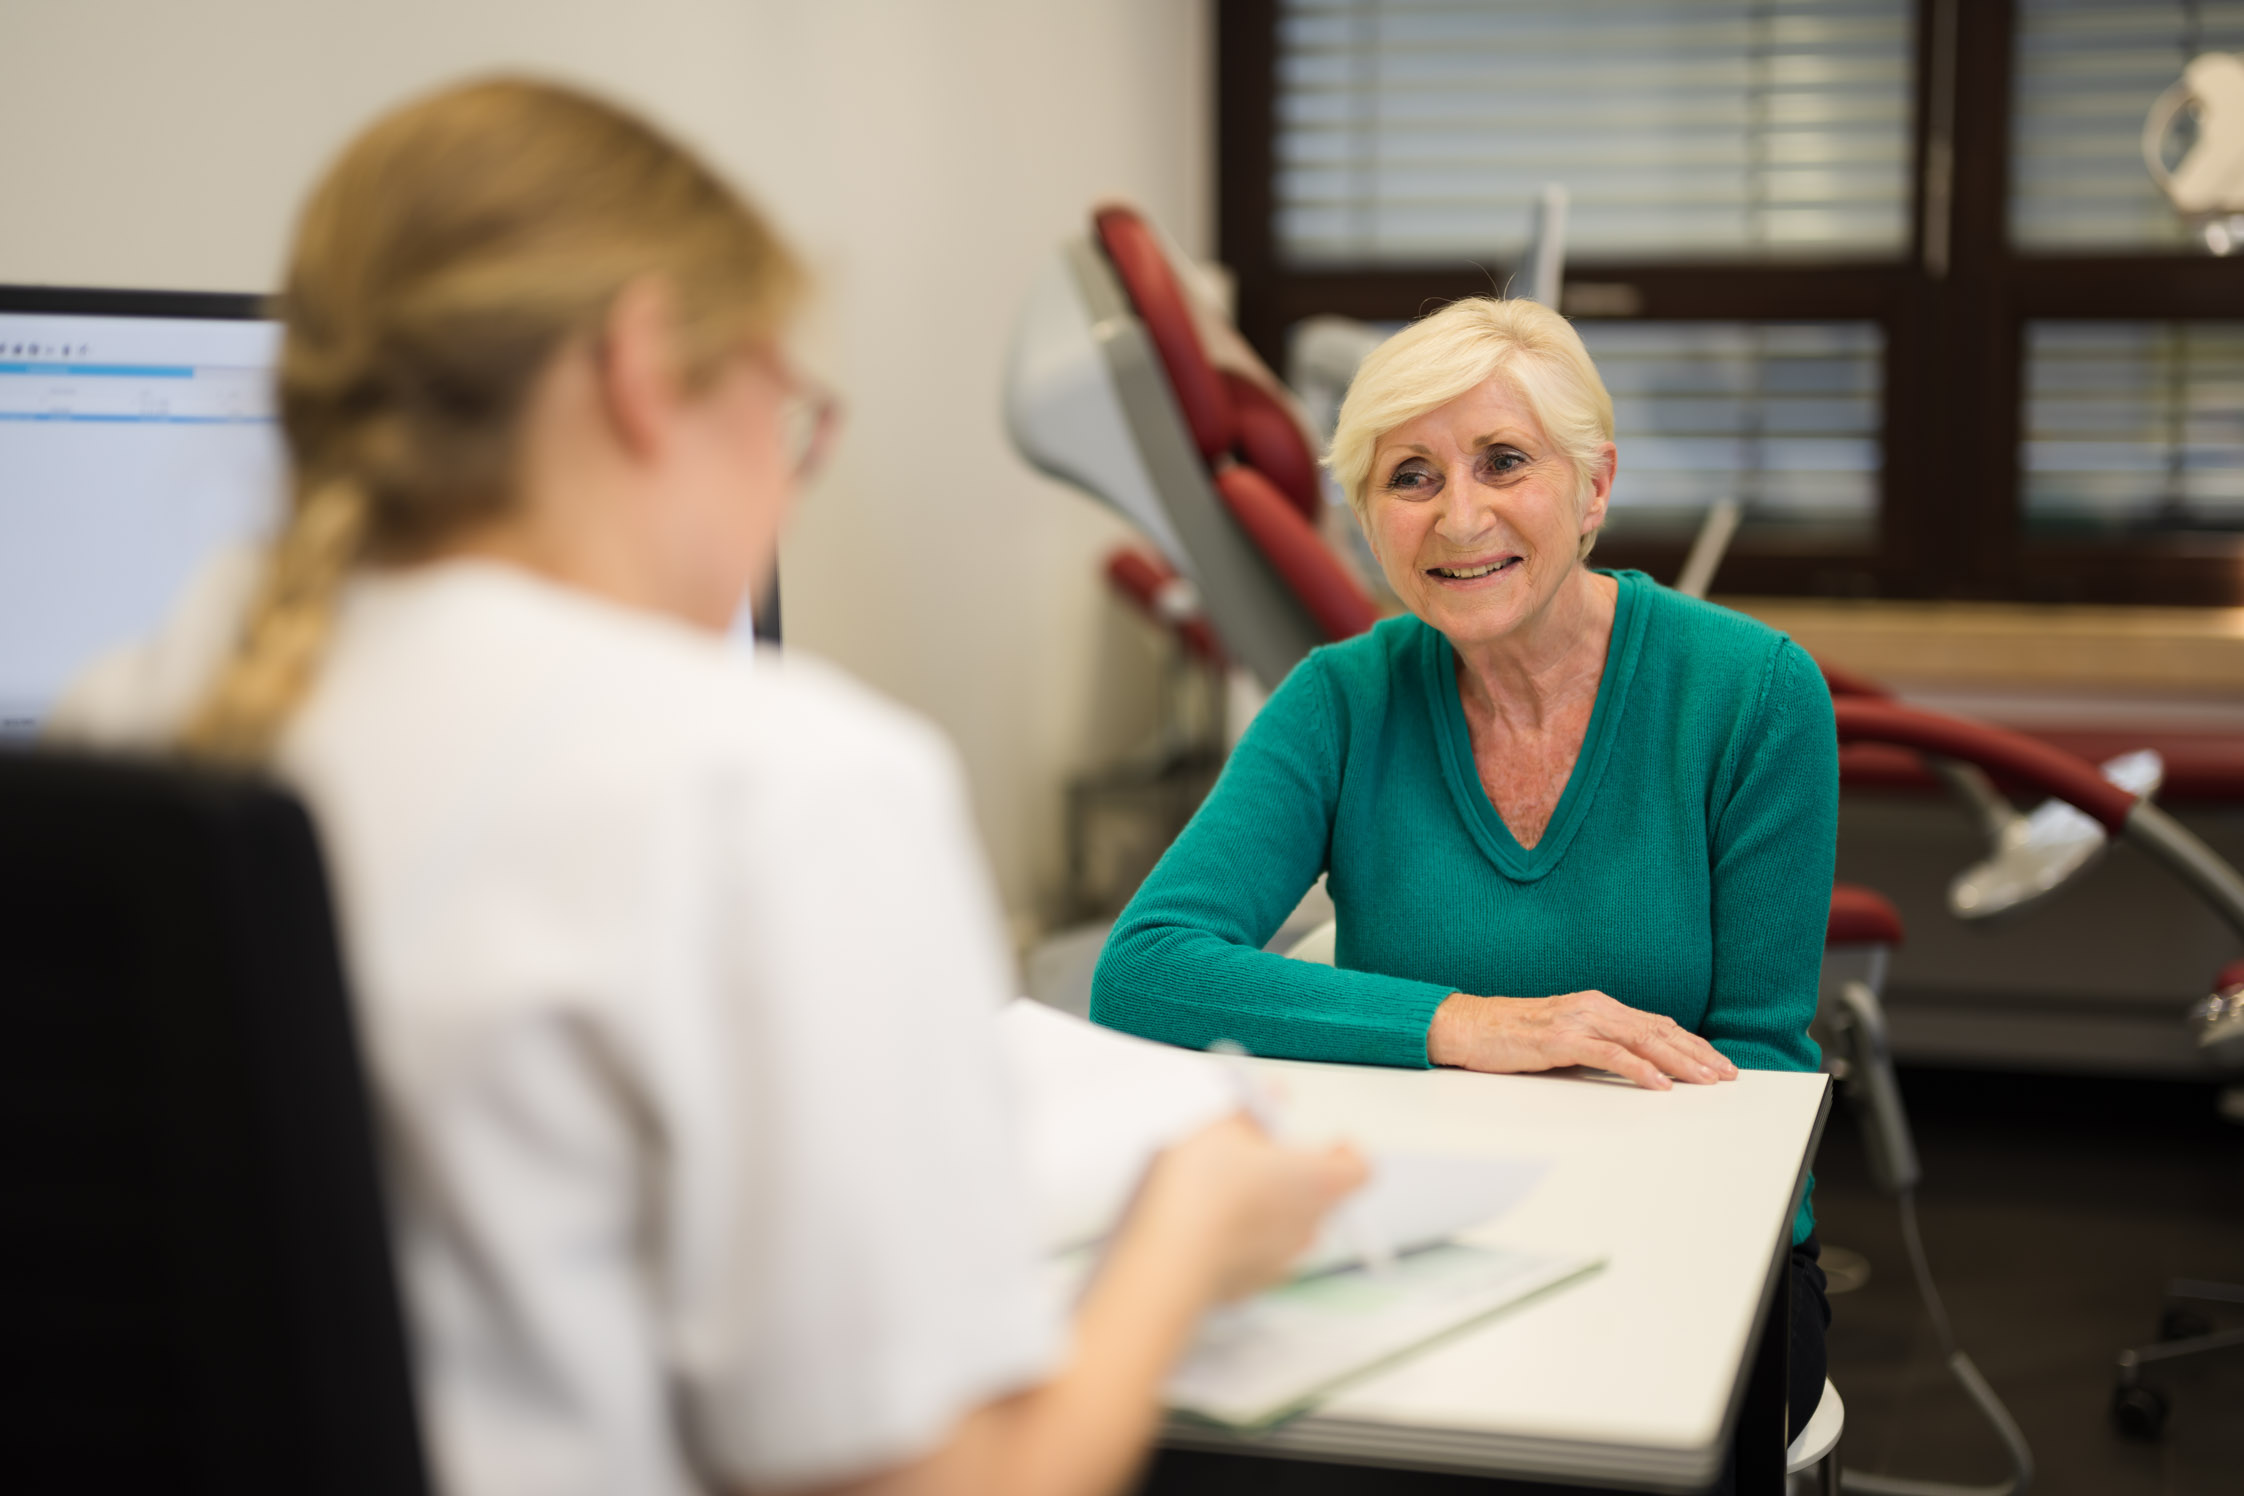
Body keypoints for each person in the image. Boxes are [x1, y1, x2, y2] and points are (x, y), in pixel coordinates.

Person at [48, 78, 1363, 1496]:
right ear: (637, 365)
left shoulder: (119, 718)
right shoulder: (775, 784)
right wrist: (1183, 1239)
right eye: (786, 412)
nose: (784, 480)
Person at [1090, 296, 1835, 1438]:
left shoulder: (1754, 694)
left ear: (1594, 487)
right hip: (1428, 1241)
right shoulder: (1340, 699)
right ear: (1369, 518)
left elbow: (1758, 1068)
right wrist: (1473, 1022)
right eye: (1412, 476)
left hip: (1683, 1240)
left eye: (1503, 461)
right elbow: (1144, 966)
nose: (1460, 516)